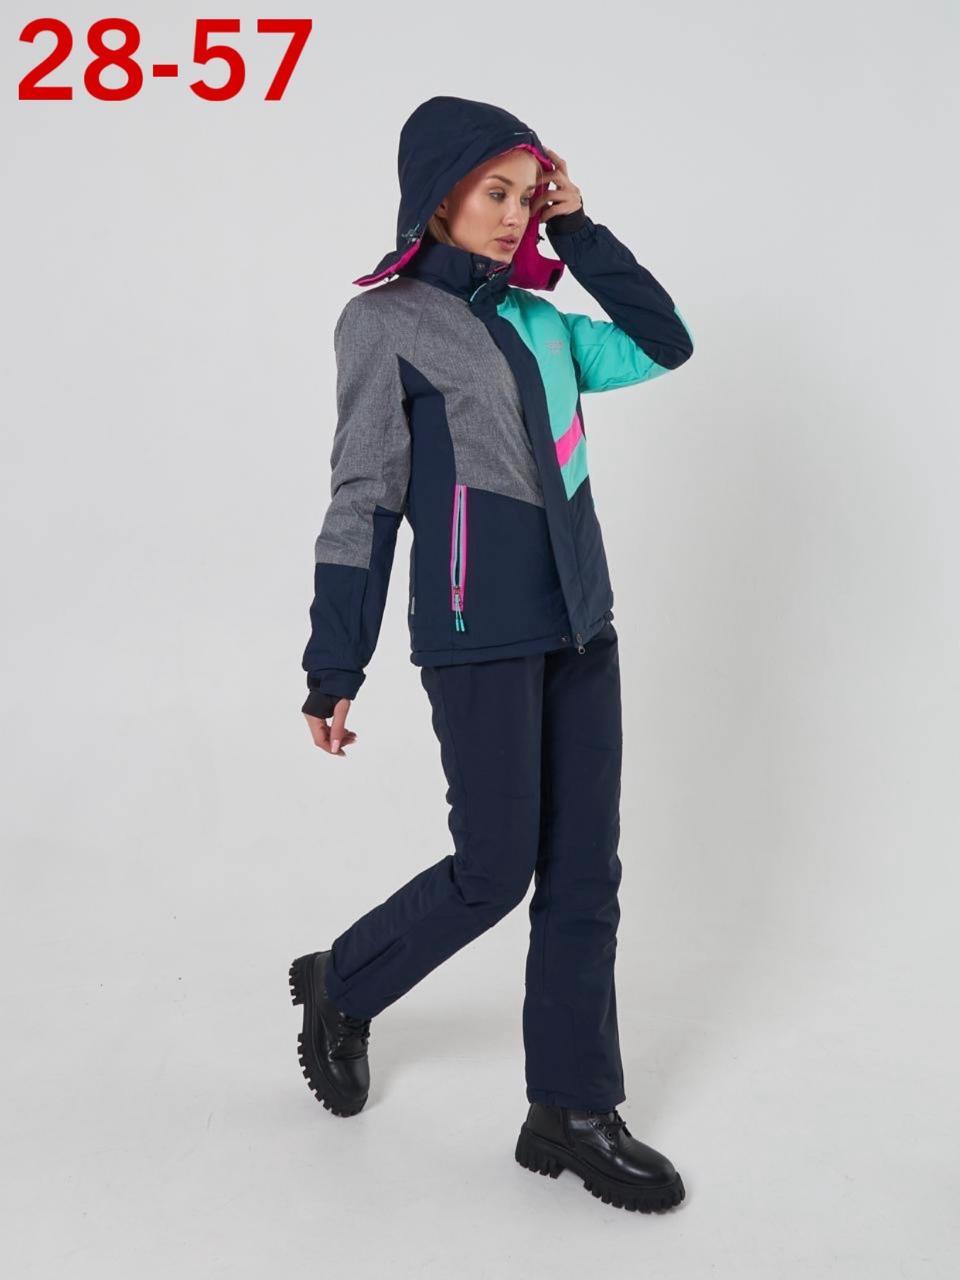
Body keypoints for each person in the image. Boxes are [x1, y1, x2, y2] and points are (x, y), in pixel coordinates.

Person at [289, 95, 694, 1214]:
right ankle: (344, 980)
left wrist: (581, 230)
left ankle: (571, 1109)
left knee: (585, 876)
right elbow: (364, 496)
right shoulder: (383, 323)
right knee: (494, 868)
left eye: (530, 194)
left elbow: (664, 341)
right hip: (477, 633)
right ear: (440, 198)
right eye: (496, 192)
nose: (517, 215)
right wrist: (335, 663)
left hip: (581, 625)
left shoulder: (544, 321)